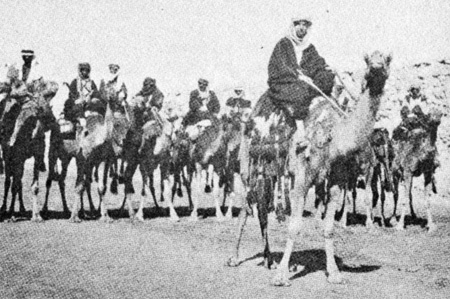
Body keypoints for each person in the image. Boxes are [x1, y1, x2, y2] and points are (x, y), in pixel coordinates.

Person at [255, 16, 335, 144]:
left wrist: (326, 71)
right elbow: (280, 65)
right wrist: (297, 75)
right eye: (298, 24)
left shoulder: (309, 48)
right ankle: (301, 133)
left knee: (327, 81)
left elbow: (317, 65)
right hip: (284, 83)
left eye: (305, 25)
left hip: (305, 82)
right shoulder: (283, 44)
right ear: (293, 26)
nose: (302, 28)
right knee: (299, 92)